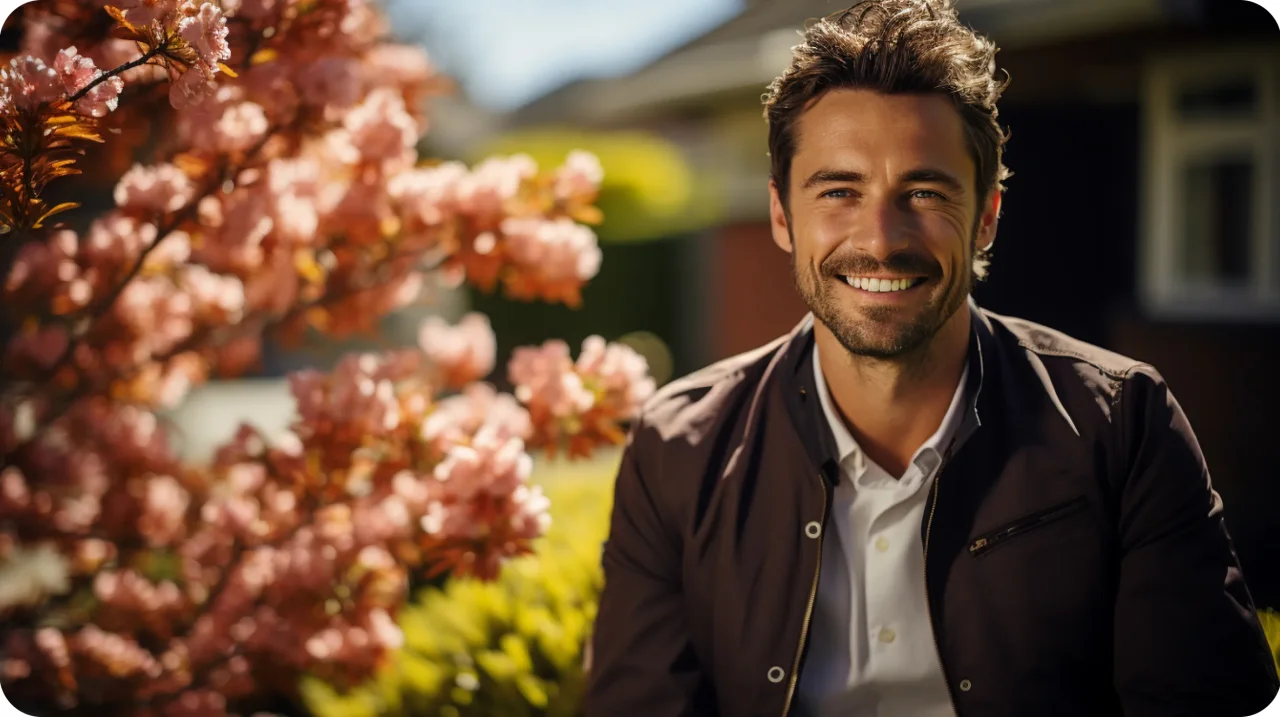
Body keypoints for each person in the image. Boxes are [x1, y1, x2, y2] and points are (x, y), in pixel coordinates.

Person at [581, 1, 1280, 715]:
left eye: (924, 191)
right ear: (781, 215)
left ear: (986, 217)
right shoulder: (678, 448)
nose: (880, 239)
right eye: (839, 192)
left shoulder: (1122, 425)